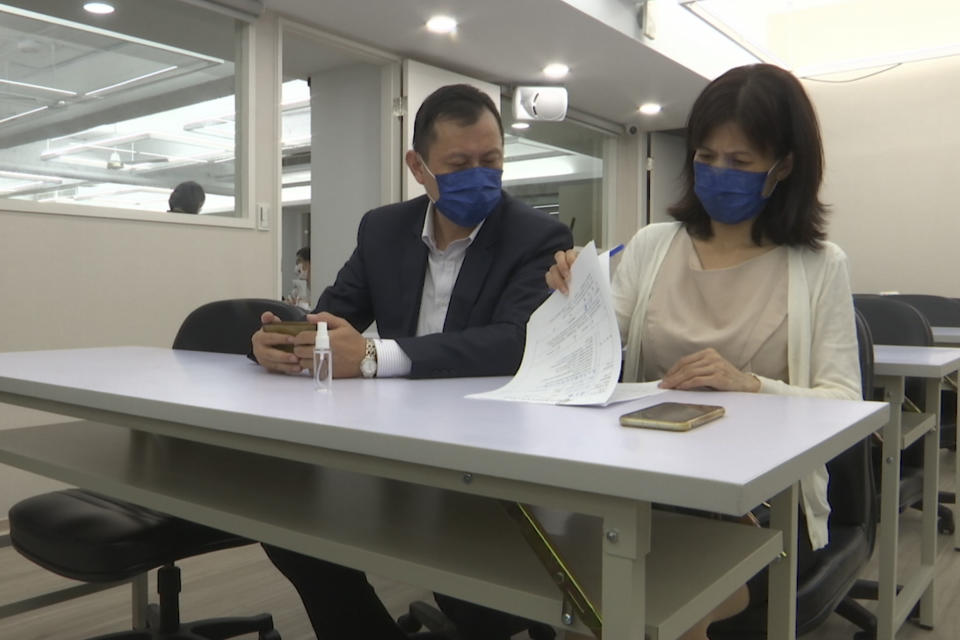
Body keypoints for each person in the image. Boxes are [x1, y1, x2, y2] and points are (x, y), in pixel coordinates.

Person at [547, 64, 861, 640]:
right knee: (579, 597)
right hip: (645, 490)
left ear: (783, 166)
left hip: (762, 507)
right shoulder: (651, 246)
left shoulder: (820, 267)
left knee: (676, 608)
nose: (719, 173)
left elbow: (843, 403)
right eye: (706, 157)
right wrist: (575, 299)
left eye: (741, 163)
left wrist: (751, 385)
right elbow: (592, 357)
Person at [252, 84, 573, 639]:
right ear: (418, 166)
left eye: (491, 161)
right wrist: (279, 339)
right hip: (394, 448)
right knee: (290, 524)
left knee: (480, 601)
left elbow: (513, 342)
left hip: (492, 459)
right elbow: (332, 318)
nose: (481, 175)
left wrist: (375, 355)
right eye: (459, 163)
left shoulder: (537, 234)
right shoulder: (384, 229)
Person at [283, 246, 312, 311]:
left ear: (309, 263)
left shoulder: (320, 287)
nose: (297, 266)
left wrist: (304, 304)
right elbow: (286, 304)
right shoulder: (298, 289)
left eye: (299, 261)